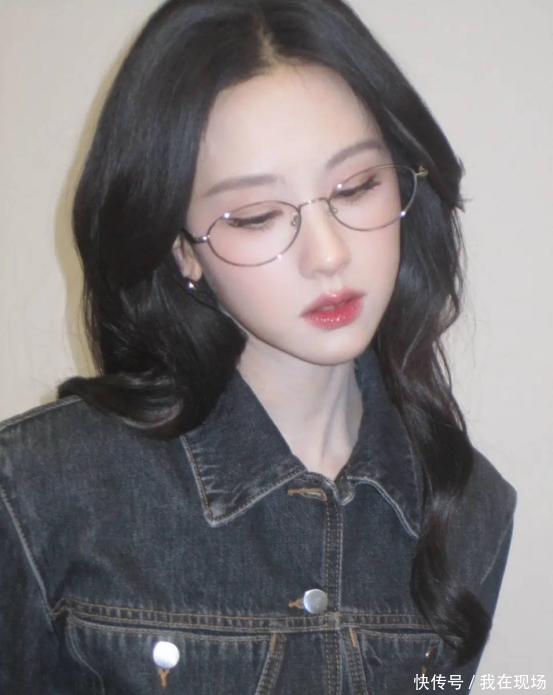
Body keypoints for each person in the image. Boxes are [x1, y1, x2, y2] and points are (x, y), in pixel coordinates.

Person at [0, 0, 516, 692]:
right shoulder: (36, 492)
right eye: (255, 216)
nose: (328, 254)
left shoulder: (467, 506)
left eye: (356, 187)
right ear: (182, 248)